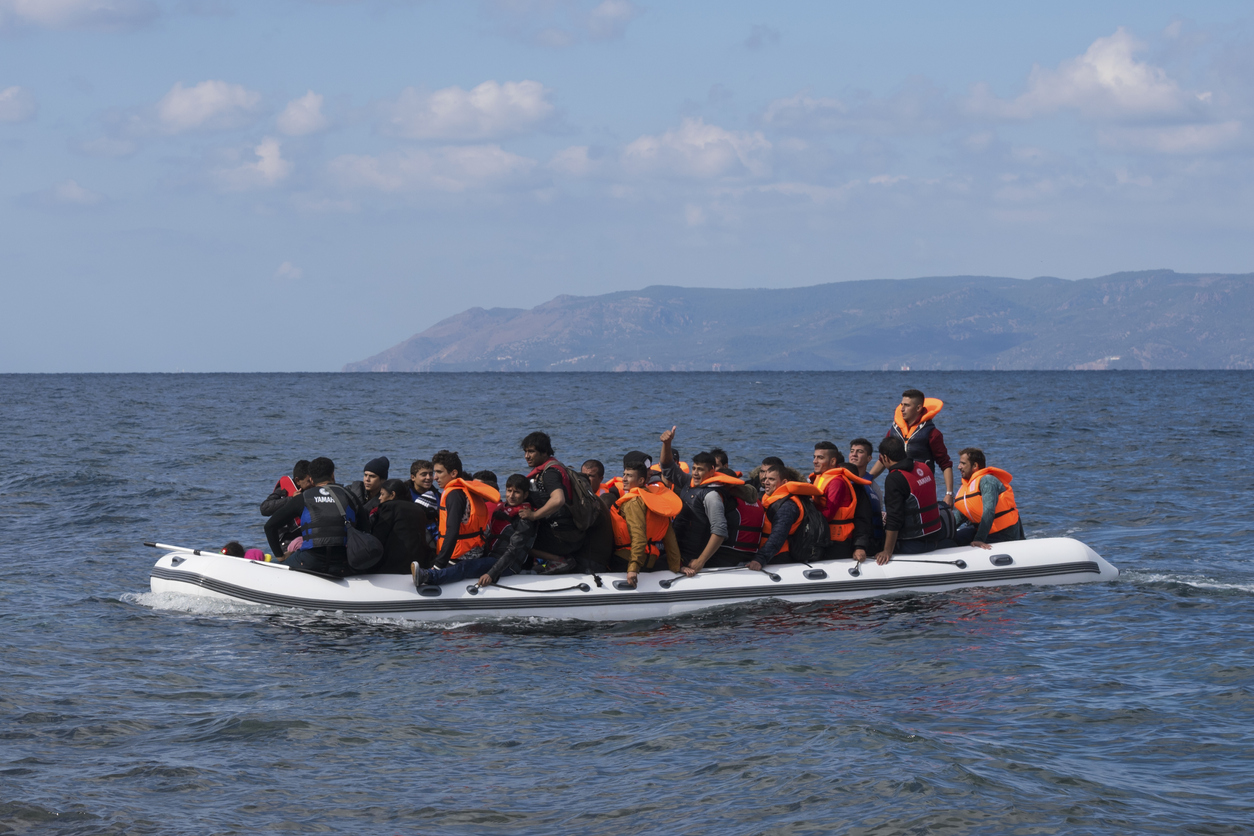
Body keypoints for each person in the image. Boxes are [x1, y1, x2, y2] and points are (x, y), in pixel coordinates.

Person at [661, 430, 764, 576]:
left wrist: (700, 561)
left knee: (656, 566)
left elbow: (720, 531)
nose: (696, 473)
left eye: (700, 470)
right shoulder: (688, 482)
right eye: (694, 468)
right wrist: (667, 443)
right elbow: (667, 467)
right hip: (677, 548)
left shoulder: (712, 496)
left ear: (711, 471)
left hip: (691, 555)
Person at [412, 451, 503, 587]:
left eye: (439, 472)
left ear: (453, 473)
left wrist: (439, 565)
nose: (435, 477)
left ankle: (429, 575)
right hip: (475, 552)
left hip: (460, 556)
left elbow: (452, 531)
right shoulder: (467, 491)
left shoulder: (454, 495)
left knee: (434, 566)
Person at [264, 456, 363, 576]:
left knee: (275, 567)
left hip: (310, 560)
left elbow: (269, 526)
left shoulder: (303, 498)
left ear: (311, 479)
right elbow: (364, 528)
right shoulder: (350, 496)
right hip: (342, 562)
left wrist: (280, 556)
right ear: (332, 475)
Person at [868, 389, 955, 506]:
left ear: (918, 408)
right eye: (901, 405)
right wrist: (868, 479)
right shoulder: (893, 431)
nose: (902, 409)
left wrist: (949, 493)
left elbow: (945, 464)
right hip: (897, 486)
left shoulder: (932, 433)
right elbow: (883, 459)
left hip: (921, 487)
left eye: (907, 405)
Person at [518, 431, 585, 573]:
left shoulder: (550, 474)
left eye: (531, 451)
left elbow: (558, 499)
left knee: (516, 538)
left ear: (544, 452)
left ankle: (560, 561)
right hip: (570, 532)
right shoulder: (556, 468)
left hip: (563, 536)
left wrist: (533, 516)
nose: (526, 456)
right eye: (525, 452)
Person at [608, 461, 683, 587]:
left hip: (626, 560)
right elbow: (670, 539)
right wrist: (676, 567)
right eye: (624, 474)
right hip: (650, 561)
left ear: (641, 480)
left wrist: (633, 569)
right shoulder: (657, 502)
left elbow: (639, 536)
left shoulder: (633, 502)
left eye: (629, 476)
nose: (624, 479)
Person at [874, 437, 944, 564]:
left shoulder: (894, 478)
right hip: (935, 537)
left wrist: (887, 551)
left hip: (913, 543)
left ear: (885, 458)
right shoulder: (924, 467)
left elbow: (895, 518)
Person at [809, 442, 875, 561]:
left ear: (833, 461)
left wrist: (860, 546)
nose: (815, 461)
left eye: (820, 458)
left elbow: (828, 515)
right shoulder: (819, 478)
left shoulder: (837, 482)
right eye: (814, 457)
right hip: (824, 538)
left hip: (838, 542)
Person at [752, 462, 825, 570]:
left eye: (771, 479)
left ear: (784, 482)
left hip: (779, 557)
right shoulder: (770, 499)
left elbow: (778, 535)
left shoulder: (787, 506)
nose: (766, 482)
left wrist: (760, 559)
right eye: (765, 478)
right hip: (768, 553)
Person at [953, 448, 1025, 548]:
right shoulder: (969, 485)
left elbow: (988, 511)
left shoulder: (988, 481)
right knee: (950, 540)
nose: (959, 467)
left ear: (975, 466)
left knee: (954, 544)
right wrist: (943, 532)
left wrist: (979, 539)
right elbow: (962, 514)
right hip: (985, 530)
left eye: (963, 463)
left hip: (1004, 534)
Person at [476, 474, 538, 587]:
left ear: (525, 495)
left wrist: (491, 574)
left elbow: (513, 550)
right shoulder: (500, 509)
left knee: (464, 568)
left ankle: (434, 577)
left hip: (507, 565)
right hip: (490, 556)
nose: (511, 496)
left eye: (517, 492)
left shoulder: (525, 519)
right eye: (509, 491)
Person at [371, 478, 434, 573]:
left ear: (392, 495)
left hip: (393, 564)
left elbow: (378, 536)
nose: (379, 498)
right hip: (419, 563)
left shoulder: (388, 507)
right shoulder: (418, 509)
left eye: (382, 494)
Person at [259, 459, 311, 553]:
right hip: (287, 539)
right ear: (298, 481)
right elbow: (265, 508)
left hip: (307, 537)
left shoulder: (313, 491)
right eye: (308, 481)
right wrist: (292, 499)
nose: (312, 484)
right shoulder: (283, 490)